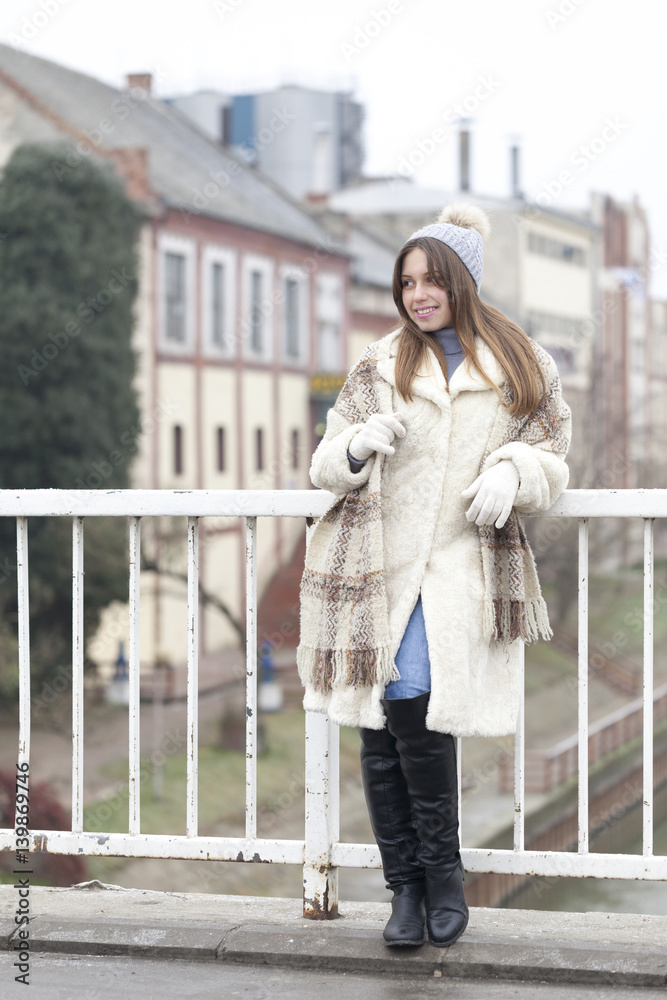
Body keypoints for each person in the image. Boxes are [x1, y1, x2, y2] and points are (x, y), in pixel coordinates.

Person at [297, 203, 571, 949]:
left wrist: (514, 471)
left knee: (412, 708)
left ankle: (439, 878)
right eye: (406, 281)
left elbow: (550, 448)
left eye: (431, 281)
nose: (417, 295)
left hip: (455, 567)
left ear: (461, 282)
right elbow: (324, 463)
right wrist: (357, 442)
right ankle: (405, 892)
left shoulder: (519, 363)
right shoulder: (378, 364)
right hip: (375, 568)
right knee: (381, 725)